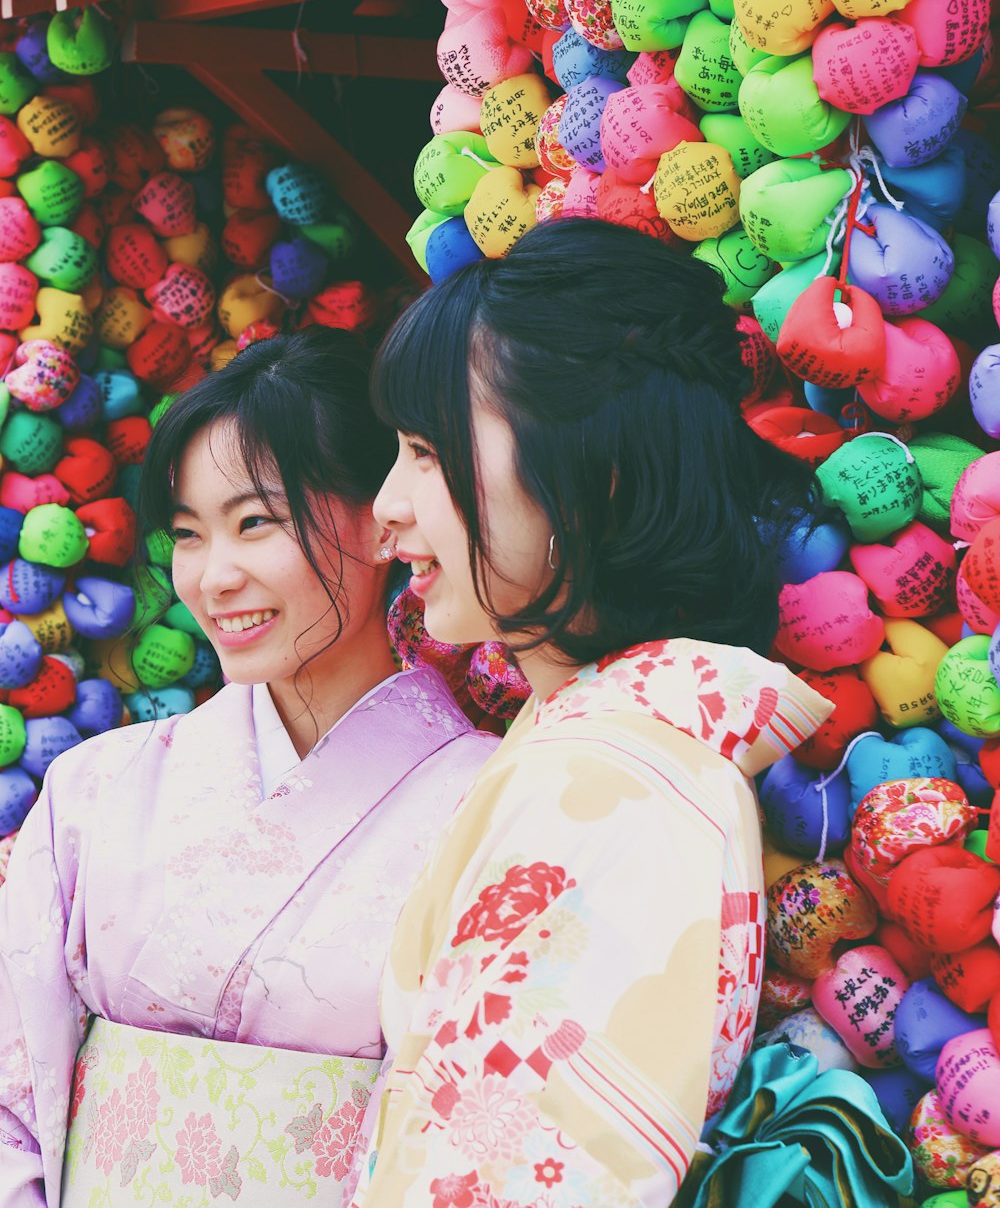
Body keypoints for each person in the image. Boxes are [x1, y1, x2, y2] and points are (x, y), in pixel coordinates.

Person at [352, 219, 836, 1208]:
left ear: (589, 471)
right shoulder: (625, 755)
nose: (384, 508)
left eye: (423, 451)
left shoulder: (606, 787)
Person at [0, 329, 497, 1208]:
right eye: (190, 536)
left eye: (254, 523)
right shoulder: (94, 790)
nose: (211, 577)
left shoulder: (492, 806)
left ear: (381, 520)